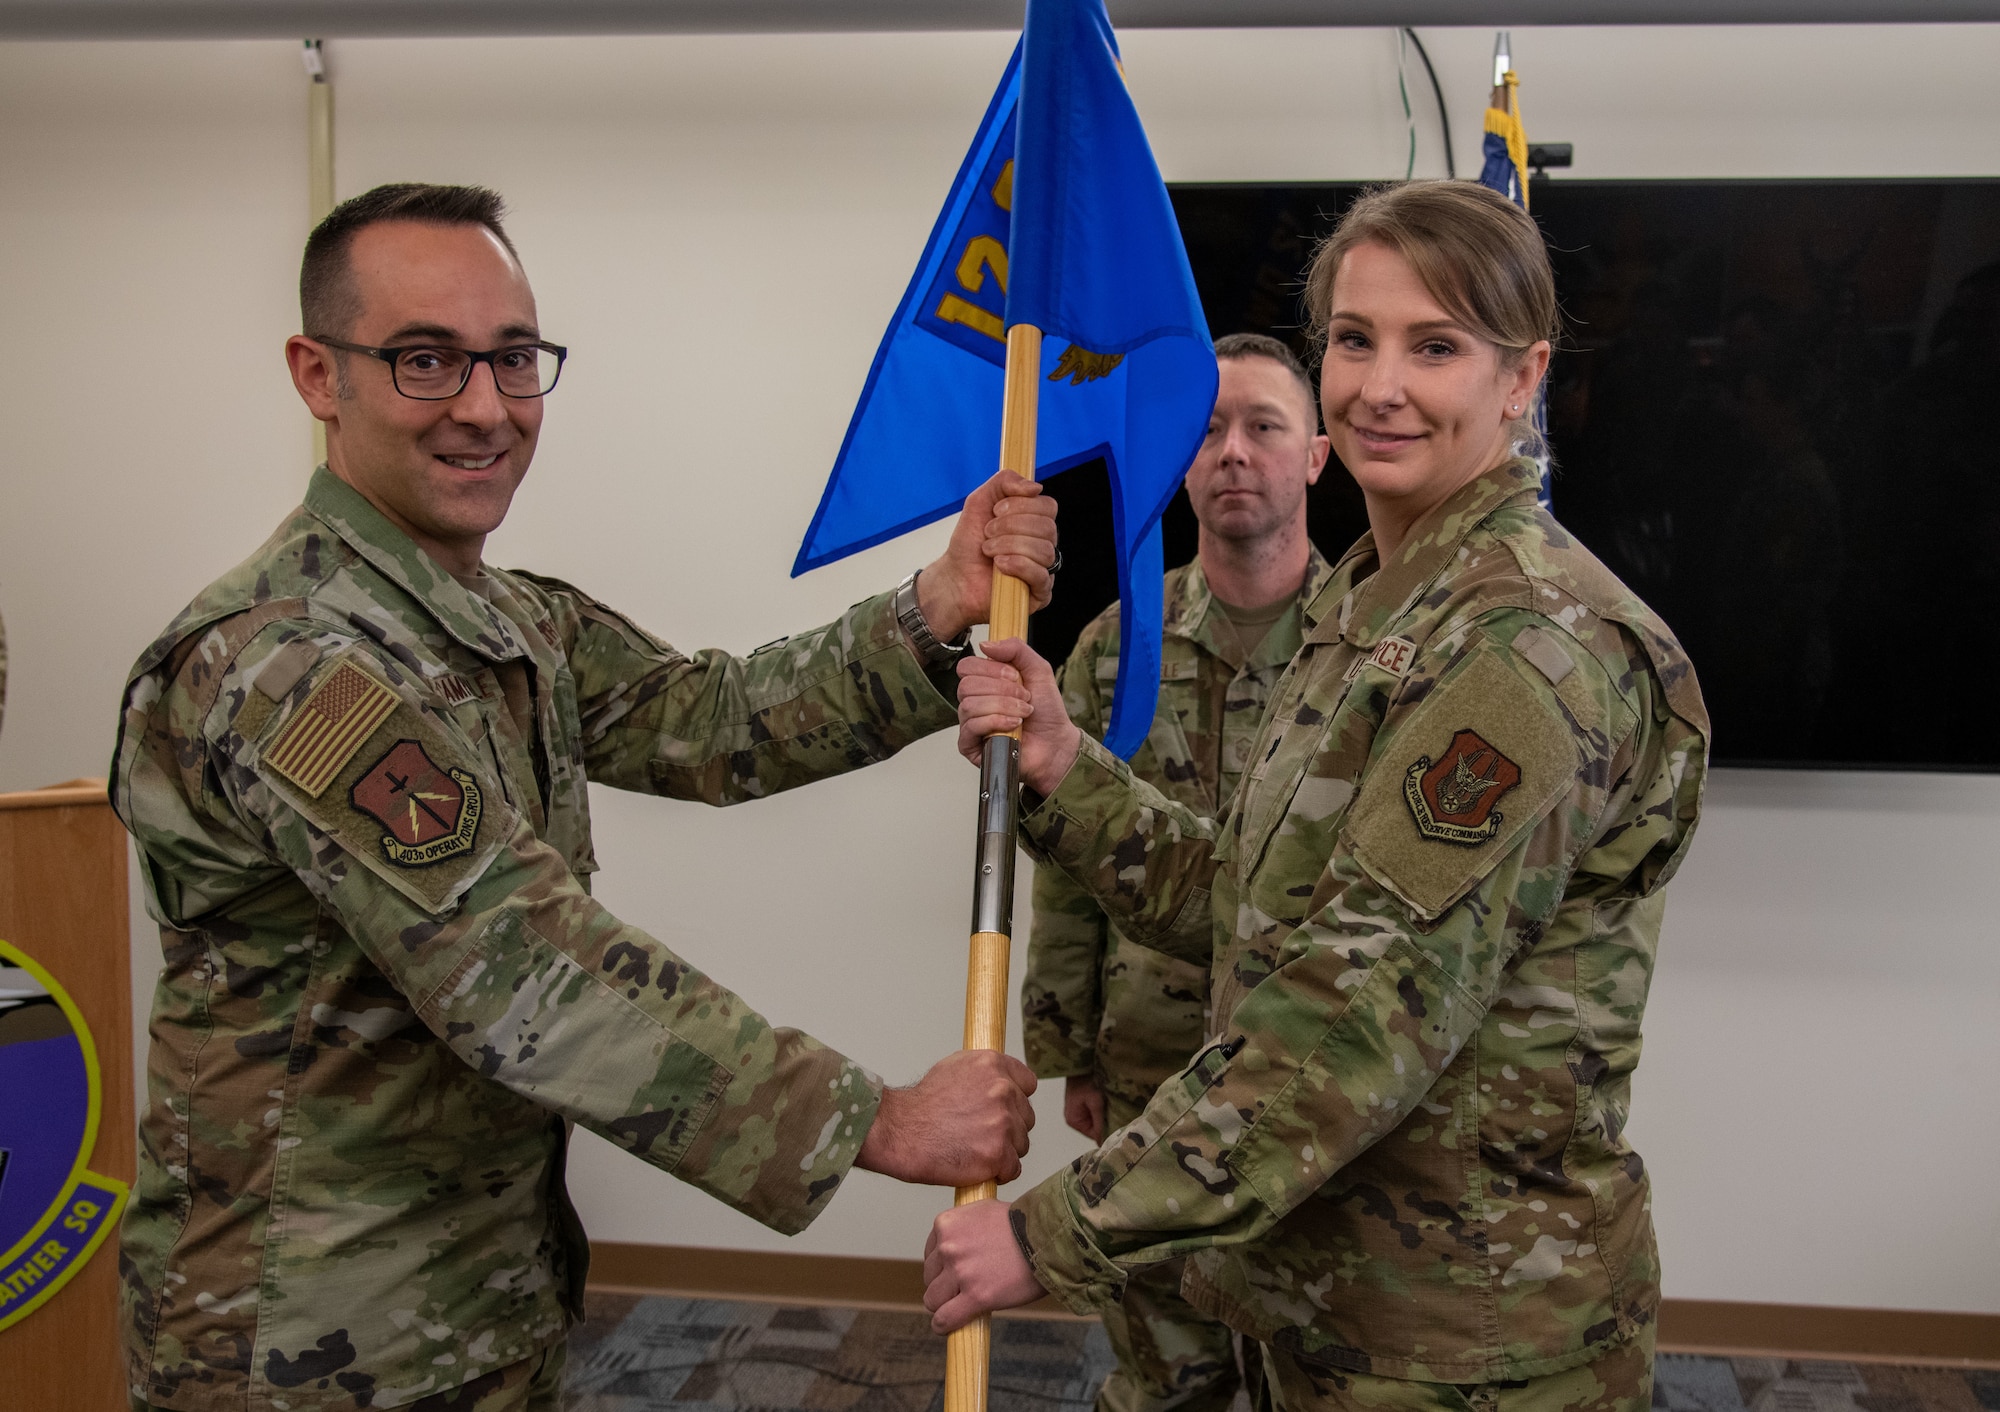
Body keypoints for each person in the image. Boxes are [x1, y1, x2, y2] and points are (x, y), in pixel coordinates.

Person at [111, 182, 1056, 1412]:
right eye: (424, 360)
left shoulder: (505, 619)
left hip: (476, 1295)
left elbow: (716, 722)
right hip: (309, 1333)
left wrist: (935, 599)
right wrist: (872, 1119)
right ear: (316, 373)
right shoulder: (288, 661)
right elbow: (519, 959)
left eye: (512, 358)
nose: (485, 407)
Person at [933, 180, 1710, 1412]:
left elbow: (1348, 1013)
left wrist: (1053, 1233)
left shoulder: (1521, 647)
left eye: (1435, 345)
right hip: (1323, 1292)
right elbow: (1255, 907)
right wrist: (1062, 764)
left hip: (1460, 1335)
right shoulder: (1371, 607)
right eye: (1353, 339)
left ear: (1520, 378)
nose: (1378, 386)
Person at [1022, 332, 1332, 1412]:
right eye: (1206, 430)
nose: (1232, 452)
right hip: (1149, 1057)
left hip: (1310, 1072)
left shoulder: (1371, 653)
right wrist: (1068, 1043)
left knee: (1309, 1359)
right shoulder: (1115, 646)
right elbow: (1067, 867)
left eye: (1262, 426)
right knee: (1164, 1368)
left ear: (1315, 457)